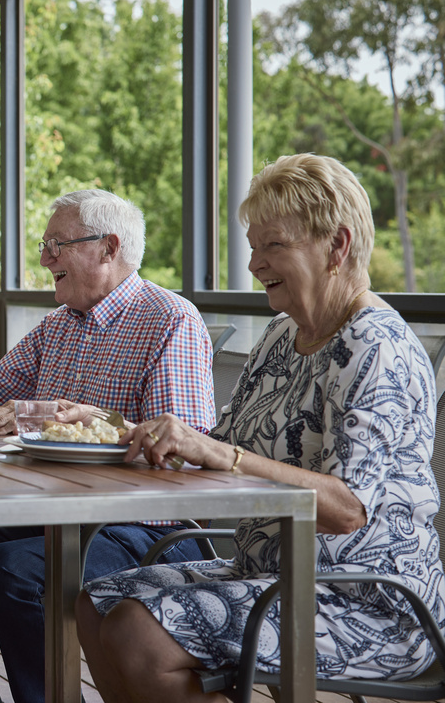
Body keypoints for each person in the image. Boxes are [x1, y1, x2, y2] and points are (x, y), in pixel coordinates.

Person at [79, 154, 445, 702]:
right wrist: (114, 429)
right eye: (253, 246)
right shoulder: (281, 335)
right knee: (94, 602)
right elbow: (217, 450)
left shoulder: (375, 348)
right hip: (264, 574)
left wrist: (224, 457)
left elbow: (347, 509)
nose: (255, 263)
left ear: (337, 247)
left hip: (368, 602)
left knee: (139, 632)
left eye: (274, 245)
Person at [0, 189, 217, 703]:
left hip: (139, 525)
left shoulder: (170, 320)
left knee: (11, 569)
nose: (44, 259)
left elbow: (184, 451)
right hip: (53, 508)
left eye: (56, 245)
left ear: (108, 248)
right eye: (45, 245)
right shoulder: (58, 326)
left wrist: (98, 419)